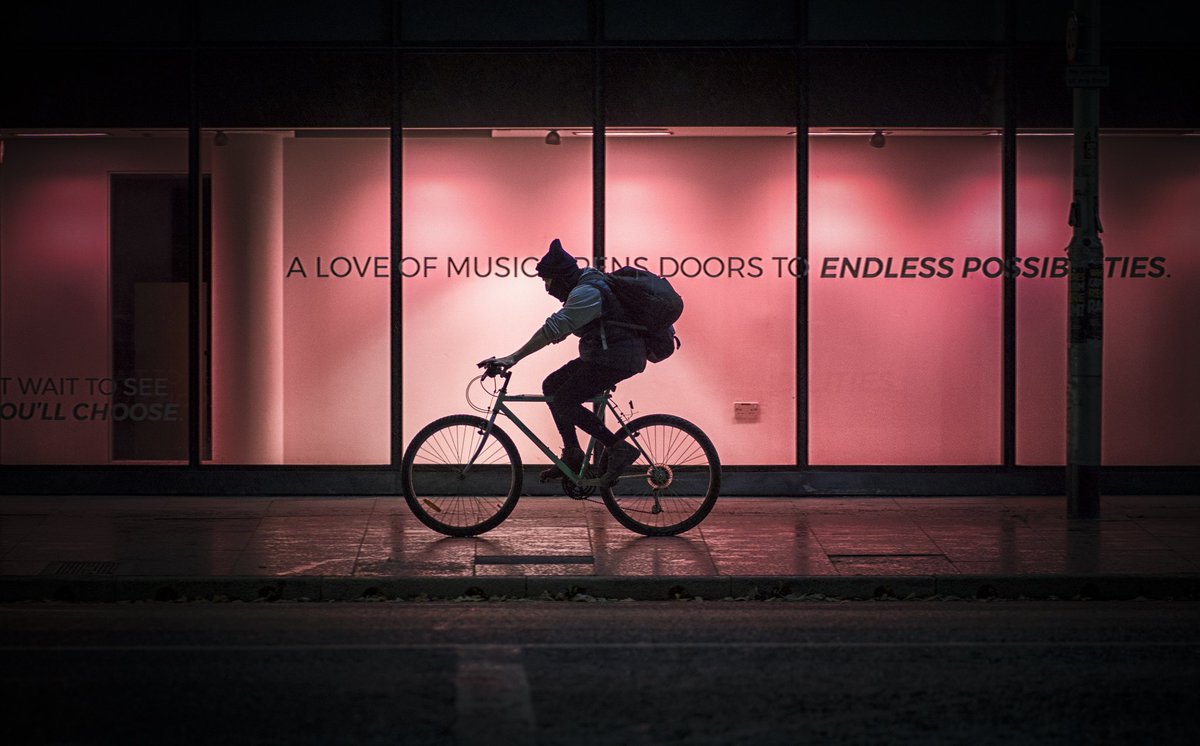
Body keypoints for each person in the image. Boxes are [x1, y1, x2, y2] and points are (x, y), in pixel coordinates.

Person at [484, 239, 644, 487]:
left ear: (560, 277)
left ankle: (618, 448)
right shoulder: (584, 284)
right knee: (551, 385)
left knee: (565, 399)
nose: (547, 288)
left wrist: (512, 358)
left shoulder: (587, 291)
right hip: (604, 355)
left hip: (616, 358)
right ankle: (572, 454)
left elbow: (553, 328)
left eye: (547, 280)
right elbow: (575, 323)